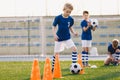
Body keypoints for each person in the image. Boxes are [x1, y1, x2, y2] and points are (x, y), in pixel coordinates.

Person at [52, 3, 78, 72]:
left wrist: (74, 33)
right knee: (56, 53)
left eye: (70, 12)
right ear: (63, 10)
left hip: (67, 38)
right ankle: (53, 67)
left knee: (74, 49)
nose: (68, 13)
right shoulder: (58, 18)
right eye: (67, 11)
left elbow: (70, 27)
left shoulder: (71, 19)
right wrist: (54, 35)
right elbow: (54, 26)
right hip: (59, 38)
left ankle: (74, 65)